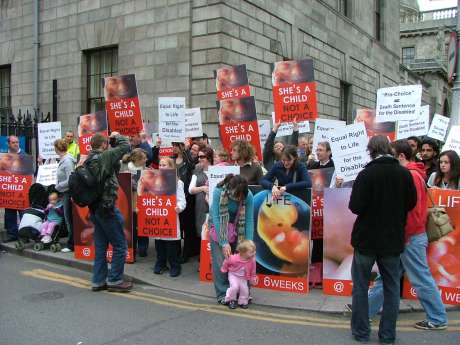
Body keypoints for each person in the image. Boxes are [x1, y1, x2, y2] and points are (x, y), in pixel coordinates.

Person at [366, 140, 448, 331]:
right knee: (387, 276)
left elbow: (411, 213)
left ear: (401, 156)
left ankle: (437, 317)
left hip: (409, 237)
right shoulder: (415, 174)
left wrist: (402, 237)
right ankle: (366, 311)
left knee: (419, 277)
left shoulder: (410, 176)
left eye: (392, 155)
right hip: (410, 236)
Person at [348, 135, 417, 344]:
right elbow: (411, 203)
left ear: (371, 151)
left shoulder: (366, 174)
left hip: (366, 240)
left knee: (360, 286)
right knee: (391, 287)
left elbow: (355, 207)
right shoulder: (404, 174)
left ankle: (361, 332)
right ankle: (387, 335)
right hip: (392, 240)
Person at [87, 131, 132, 293]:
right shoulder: (104, 156)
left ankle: (98, 281)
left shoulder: (88, 159)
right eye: (107, 142)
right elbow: (126, 145)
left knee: (100, 247)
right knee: (120, 245)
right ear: (104, 144)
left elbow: (113, 169)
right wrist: (116, 136)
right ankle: (115, 280)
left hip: (94, 208)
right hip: (107, 208)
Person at [209, 174, 254, 305]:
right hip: (219, 225)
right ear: (230, 188)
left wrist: (248, 243)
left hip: (237, 225)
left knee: (243, 259)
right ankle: (223, 293)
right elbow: (216, 218)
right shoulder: (219, 191)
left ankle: (243, 293)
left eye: (241, 196)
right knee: (222, 261)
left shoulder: (249, 196)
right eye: (236, 195)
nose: (238, 198)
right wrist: (223, 242)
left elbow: (249, 220)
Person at [153, 157, 186, 277]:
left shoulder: (178, 182)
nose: (161, 167)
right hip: (158, 218)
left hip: (171, 217)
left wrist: (178, 207)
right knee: (159, 244)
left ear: (171, 167)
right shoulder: (154, 181)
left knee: (171, 245)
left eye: (164, 165)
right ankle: (160, 264)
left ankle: (175, 266)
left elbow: (182, 201)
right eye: (160, 165)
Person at [120, 148, 149, 257]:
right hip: (129, 203)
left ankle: (143, 249)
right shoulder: (124, 168)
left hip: (142, 203)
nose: (146, 160)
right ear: (137, 159)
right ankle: (132, 249)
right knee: (131, 226)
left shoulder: (146, 170)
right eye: (144, 158)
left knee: (142, 225)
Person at [172, 141, 198, 262]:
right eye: (173, 146)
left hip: (187, 198)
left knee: (187, 228)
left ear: (181, 147)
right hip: (174, 198)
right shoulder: (171, 160)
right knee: (176, 226)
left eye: (176, 146)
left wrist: (187, 150)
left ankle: (186, 252)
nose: (174, 148)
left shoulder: (188, 161)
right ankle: (175, 252)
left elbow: (192, 166)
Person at [220, 239, 258, 309]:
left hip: (243, 277)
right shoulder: (234, 258)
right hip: (233, 275)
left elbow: (253, 270)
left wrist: (253, 278)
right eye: (252, 252)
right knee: (234, 287)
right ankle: (231, 300)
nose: (254, 253)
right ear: (243, 253)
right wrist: (224, 269)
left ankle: (243, 301)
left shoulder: (252, 260)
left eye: (254, 251)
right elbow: (227, 261)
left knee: (245, 289)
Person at [54, 138, 76, 252]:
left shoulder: (67, 161)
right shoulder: (64, 159)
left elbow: (70, 179)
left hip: (68, 192)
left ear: (57, 149)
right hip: (64, 192)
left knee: (69, 219)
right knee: (67, 218)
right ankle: (71, 242)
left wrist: (57, 186)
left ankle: (72, 244)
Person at [189, 147, 213, 241]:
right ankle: (203, 254)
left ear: (209, 157)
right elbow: (190, 189)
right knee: (203, 230)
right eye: (199, 157)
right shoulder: (197, 172)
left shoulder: (219, 171)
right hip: (201, 206)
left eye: (202, 156)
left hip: (214, 205)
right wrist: (203, 188)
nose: (199, 159)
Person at [3, 135, 23, 242]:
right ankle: (12, 234)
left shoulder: (24, 155)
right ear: (8, 144)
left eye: (17, 142)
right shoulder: (4, 155)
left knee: (22, 211)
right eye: (13, 142)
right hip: (9, 189)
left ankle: (24, 234)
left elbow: (29, 172)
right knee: (9, 211)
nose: (16, 144)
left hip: (21, 189)